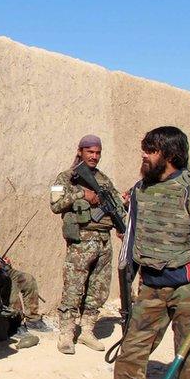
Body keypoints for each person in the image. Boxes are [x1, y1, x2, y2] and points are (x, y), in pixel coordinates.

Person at [86, 126, 190, 379]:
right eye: (144, 149)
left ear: (170, 155)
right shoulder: (141, 189)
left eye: (151, 151)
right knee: (132, 350)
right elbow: (131, 237)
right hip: (151, 286)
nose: (144, 156)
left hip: (187, 287)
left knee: (189, 354)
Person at [49, 135, 125, 355]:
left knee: (98, 288)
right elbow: (55, 204)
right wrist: (82, 193)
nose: (94, 156)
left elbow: (116, 205)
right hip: (81, 240)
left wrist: (123, 213)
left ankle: (87, 331)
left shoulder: (103, 179)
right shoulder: (66, 177)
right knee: (74, 287)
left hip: (103, 239)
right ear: (80, 151)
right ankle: (66, 333)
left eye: (98, 152)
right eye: (90, 152)